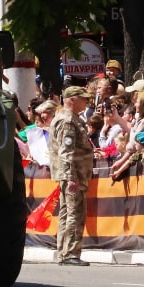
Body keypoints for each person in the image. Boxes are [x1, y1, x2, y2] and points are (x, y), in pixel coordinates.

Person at [50, 85, 94, 266]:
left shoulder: (68, 118)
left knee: (66, 213)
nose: (86, 102)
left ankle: (64, 251)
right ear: (72, 99)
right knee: (74, 213)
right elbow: (66, 151)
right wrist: (71, 177)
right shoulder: (68, 120)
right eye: (83, 98)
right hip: (74, 175)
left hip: (72, 173)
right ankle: (71, 253)